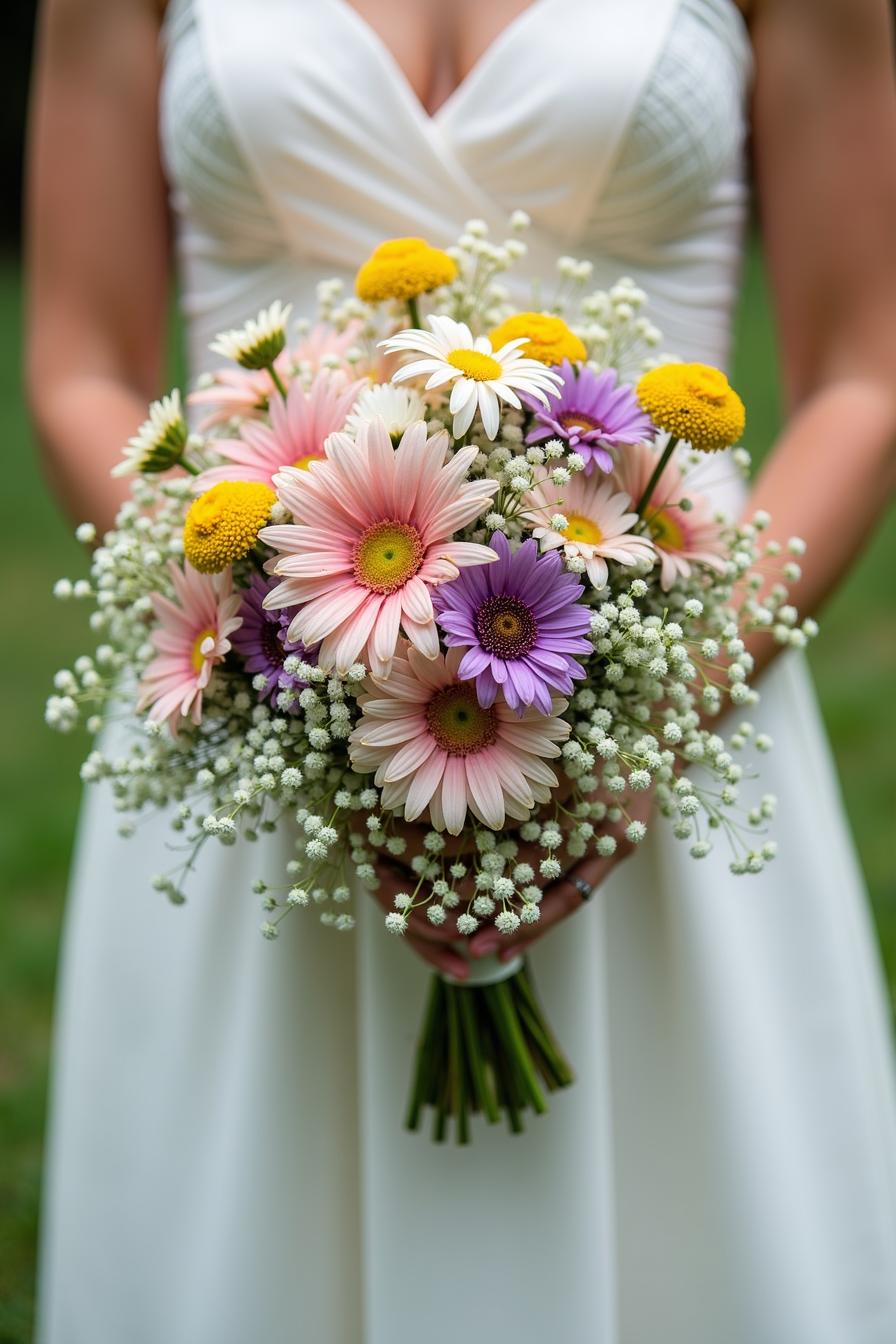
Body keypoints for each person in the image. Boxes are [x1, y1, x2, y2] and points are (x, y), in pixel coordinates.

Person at [26, 0, 896, 1340]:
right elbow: (79, 358)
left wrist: (633, 727)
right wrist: (280, 658)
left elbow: (863, 374)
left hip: (666, 704)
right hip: (260, 730)